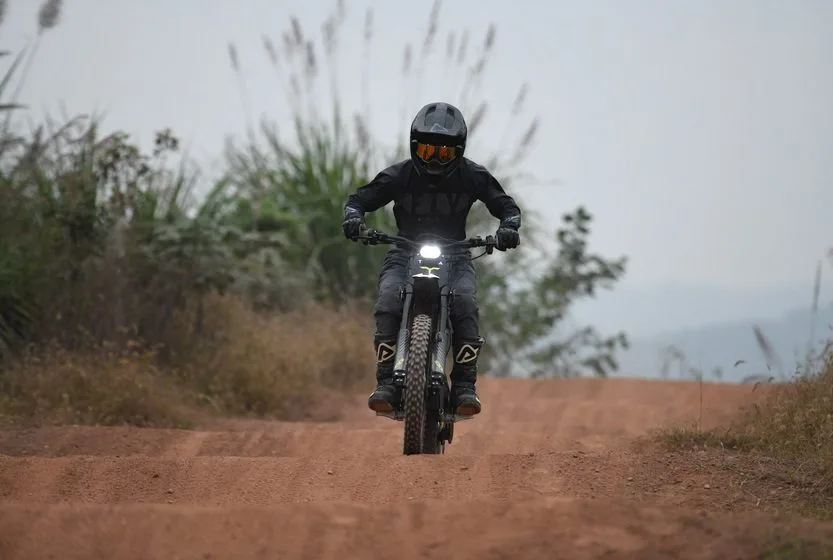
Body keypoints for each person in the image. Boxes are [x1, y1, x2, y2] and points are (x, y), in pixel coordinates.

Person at [342, 101, 521, 417]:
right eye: (427, 150)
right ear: (414, 147)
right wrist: (354, 218)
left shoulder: (473, 175)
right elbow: (359, 200)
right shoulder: (398, 175)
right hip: (403, 252)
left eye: (444, 152)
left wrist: (508, 228)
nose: (435, 159)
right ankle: (386, 382)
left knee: (465, 303)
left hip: (456, 254)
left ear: (459, 151)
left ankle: (464, 386)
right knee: (388, 300)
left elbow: (507, 207)